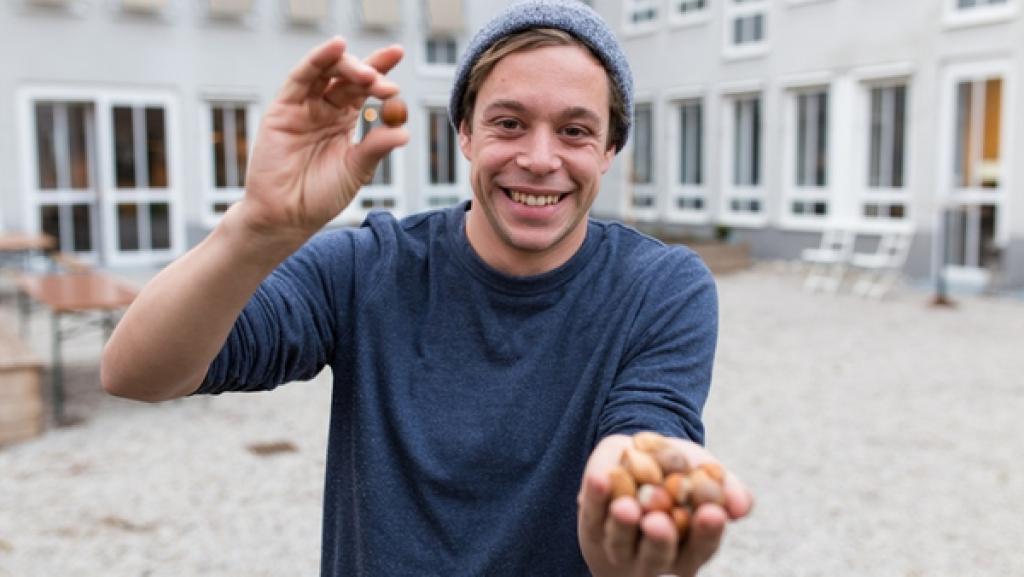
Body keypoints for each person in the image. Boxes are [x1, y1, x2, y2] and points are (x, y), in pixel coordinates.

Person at [100, 1, 752, 575]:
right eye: (509, 122)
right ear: (464, 133)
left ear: (609, 149)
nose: (540, 158)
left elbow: (635, 450)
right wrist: (257, 227)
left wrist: (623, 519)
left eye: (576, 130)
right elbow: (136, 371)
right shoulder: (367, 267)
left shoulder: (660, 288)